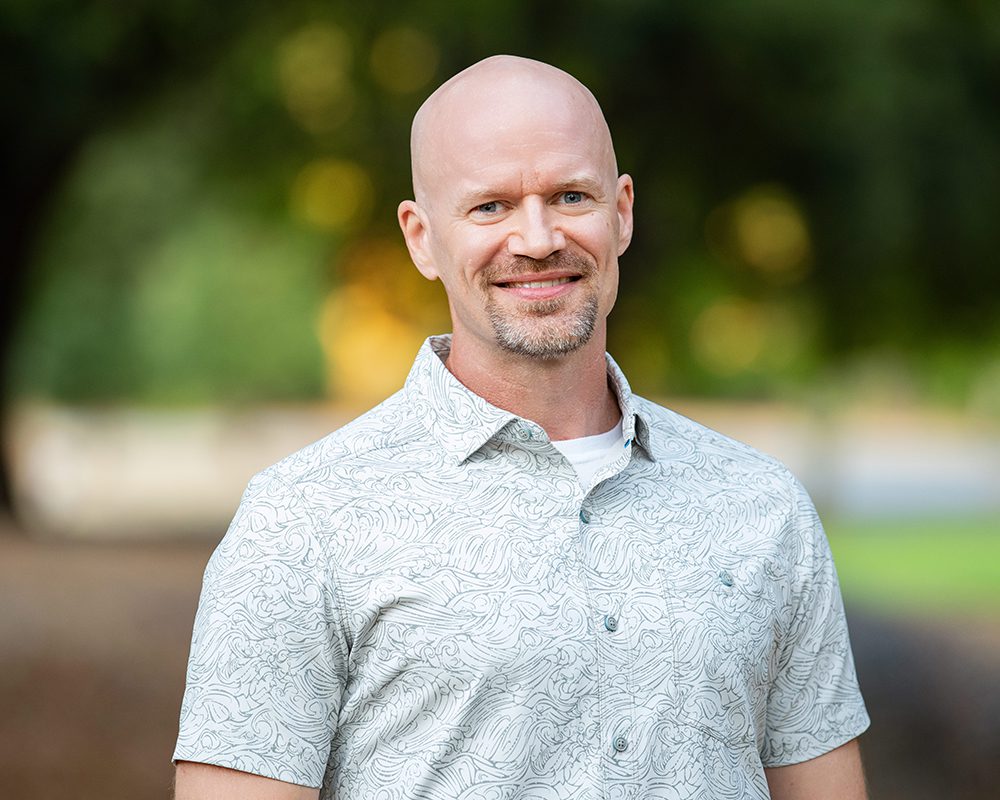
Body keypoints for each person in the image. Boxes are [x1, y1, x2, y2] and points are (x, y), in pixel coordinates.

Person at [173, 55, 870, 799]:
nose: (537, 240)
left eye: (571, 195)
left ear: (623, 211)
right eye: (490, 208)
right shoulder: (304, 519)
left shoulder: (762, 506)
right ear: (419, 236)